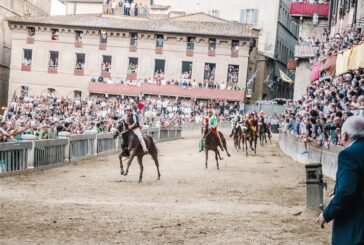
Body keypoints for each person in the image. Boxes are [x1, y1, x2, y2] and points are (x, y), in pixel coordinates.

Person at [317, 116, 364, 245]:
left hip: (356, 227)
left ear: (344, 135)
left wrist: (327, 213)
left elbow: (346, 192)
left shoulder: (348, 154)